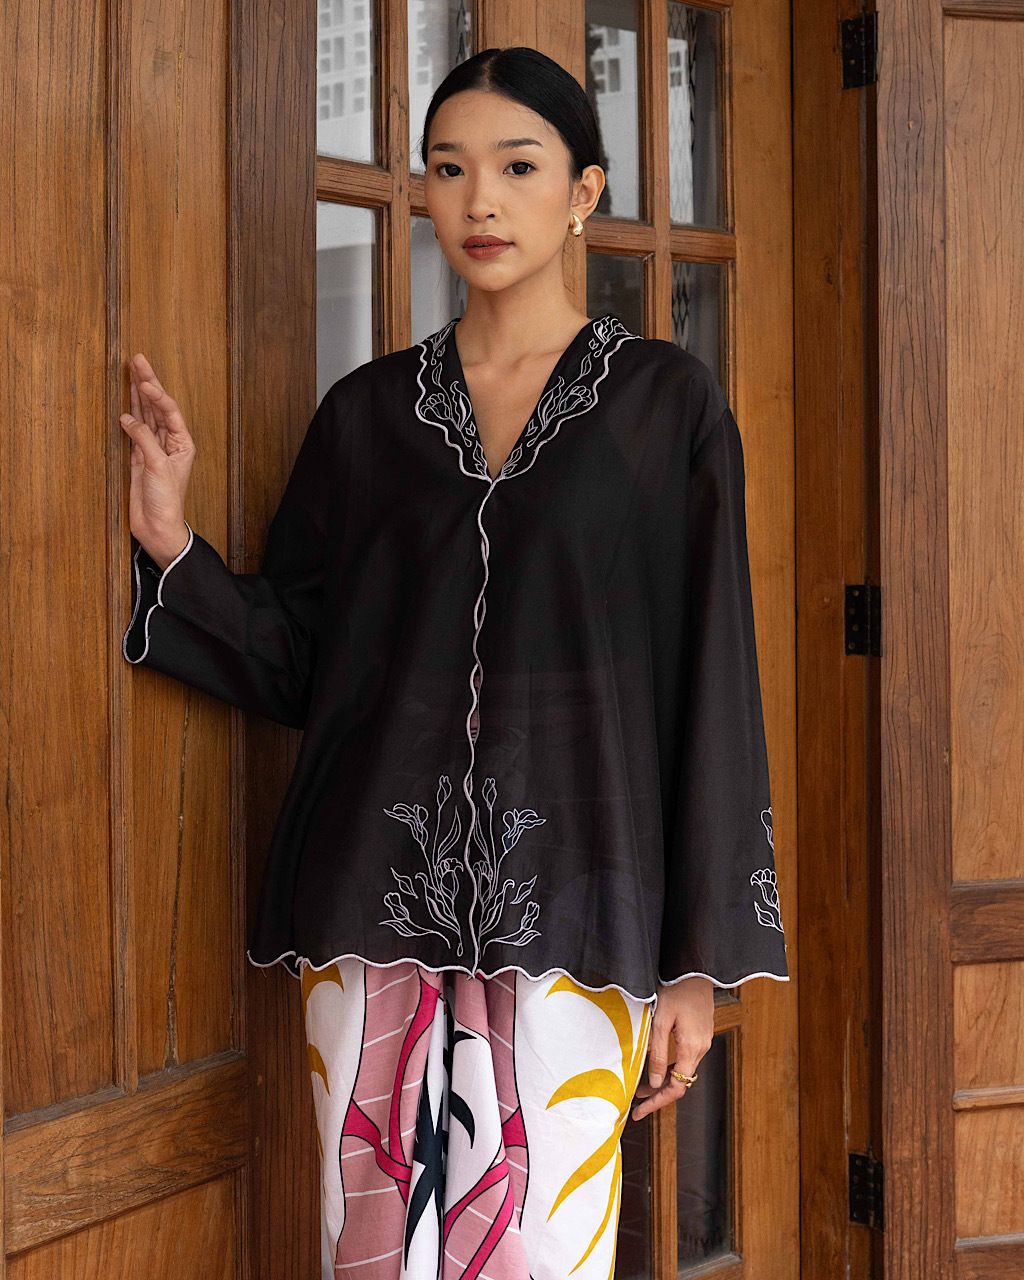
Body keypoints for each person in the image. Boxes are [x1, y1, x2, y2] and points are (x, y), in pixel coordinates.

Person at [119, 44, 788, 1280]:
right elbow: (299, 658)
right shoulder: (366, 416)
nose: (480, 199)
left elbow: (712, 682)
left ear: (582, 191)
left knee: (548, 1254)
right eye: (448, 168)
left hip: (582, 913)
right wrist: (173, 543)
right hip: (371, 909)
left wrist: (696, 963)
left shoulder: (666, 407)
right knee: (371, 1252)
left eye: (517, 167)